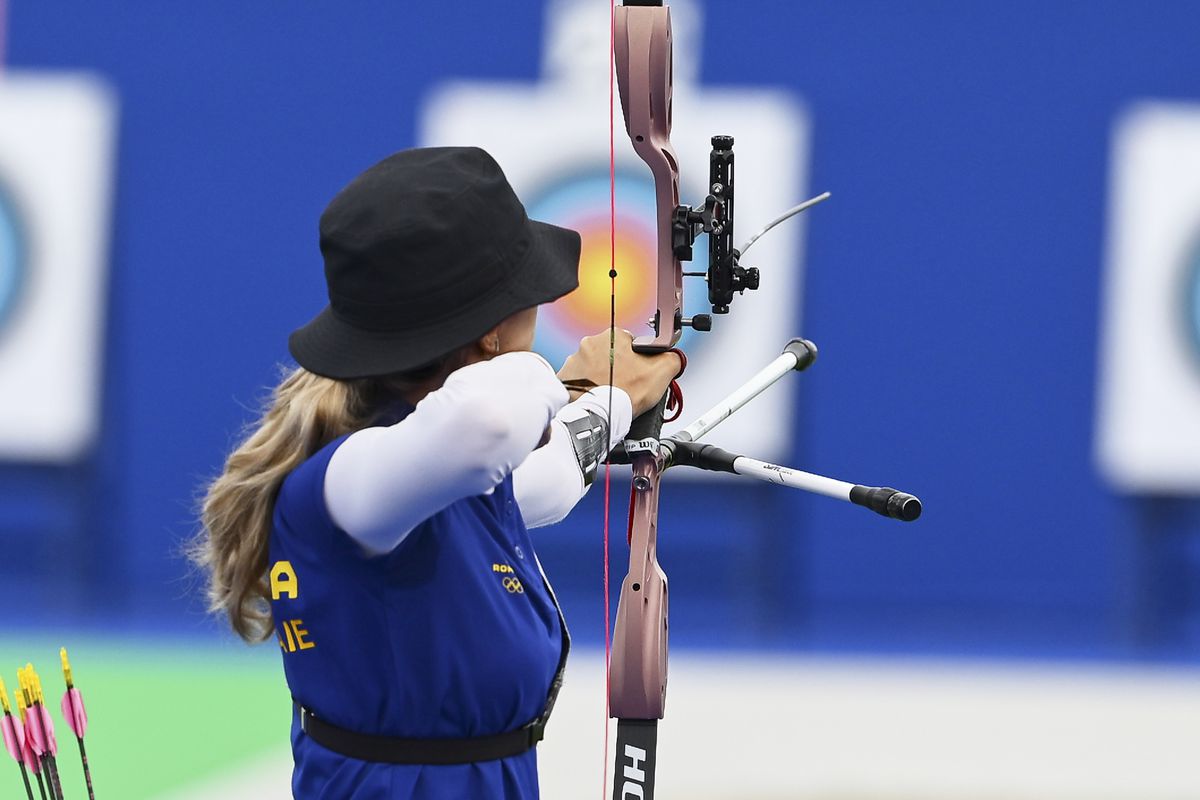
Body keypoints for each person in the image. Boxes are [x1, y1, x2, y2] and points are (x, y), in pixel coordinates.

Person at [192, 146, 682, 799]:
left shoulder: (432, 477)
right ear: (491, 335)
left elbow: (548, 478)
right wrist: (567, 378)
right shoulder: (352, 480)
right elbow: (489, 427)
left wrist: (616, 397)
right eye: (528, 303)